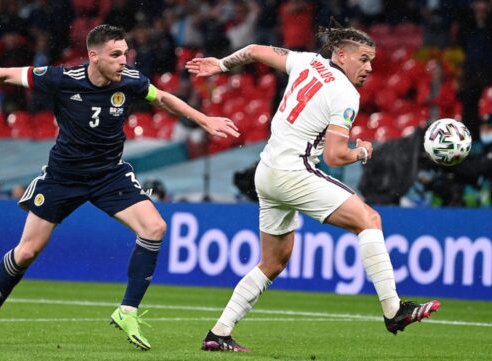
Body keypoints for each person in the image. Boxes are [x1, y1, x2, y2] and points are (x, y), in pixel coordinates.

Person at [0, 24, 239, 351]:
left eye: (126, 53)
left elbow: (165, 99)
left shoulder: (130, 80)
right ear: (94, 56)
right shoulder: (61, 78)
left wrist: (204, 120)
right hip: (63, 177)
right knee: (27, 252)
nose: (123, 60)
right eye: (116, 54)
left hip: (108, 175)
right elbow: (4, 74)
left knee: (155, 227)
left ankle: (127, 311)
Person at [186, 26, 441, 352]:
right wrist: (361, 150)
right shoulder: (346, 93)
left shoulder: (305, 62)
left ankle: (219, 332)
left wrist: (222, 65)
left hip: (267, 171)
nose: (369, 68)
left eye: (372, 61)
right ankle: (394, 310)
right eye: (363, 59)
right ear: (341, 55)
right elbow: (336, 155)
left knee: (273, 262)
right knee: (370, 220)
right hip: (294, 172)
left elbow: (252, 50)